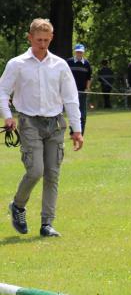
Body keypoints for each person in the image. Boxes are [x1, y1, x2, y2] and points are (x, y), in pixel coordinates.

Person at [0, 18, 84, 238]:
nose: (43, 44)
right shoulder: (16, 64)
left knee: (52, 174)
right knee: (36, 170)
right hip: (29, 122)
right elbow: (2, 91)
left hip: (55, 124)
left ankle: (47, 224)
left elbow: (71, 97)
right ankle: (18, 205)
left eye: (46, 40)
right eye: (39, 40)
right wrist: (7, 116)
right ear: (30, 38)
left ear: (51, 38)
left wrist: (77, 129)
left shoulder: (60, 65)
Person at [66, 43, 92, 134]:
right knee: (73, 113)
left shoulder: (87, 64)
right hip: (70, 92)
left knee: (82, 114)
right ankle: (73, 131)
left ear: (83, 53)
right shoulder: (69, 62)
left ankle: (81, 133)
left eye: (81, 52)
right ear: (75, 52)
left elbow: (89, 78)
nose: (79, 53)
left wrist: (87, 88)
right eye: (78, 52)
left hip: (82, 92)